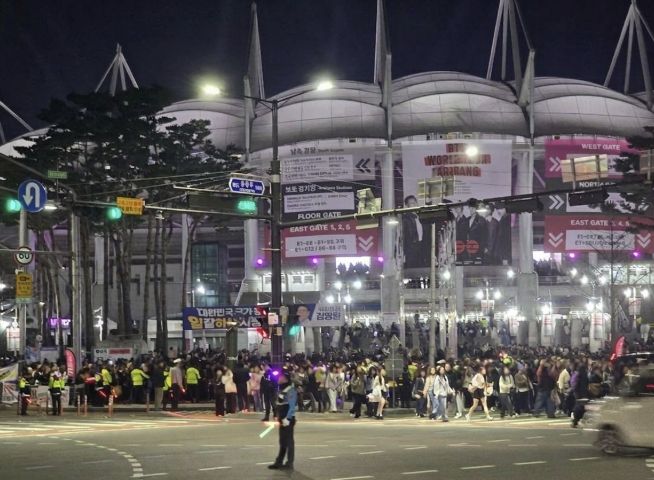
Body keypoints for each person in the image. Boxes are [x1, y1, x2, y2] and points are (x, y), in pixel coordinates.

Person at [269, 369, 297, 470]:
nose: (278, 378)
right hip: (282, 417)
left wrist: (288, 419)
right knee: (282, 441)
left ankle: (289, 463)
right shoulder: (282, 389)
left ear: (285, 379)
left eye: (280, 377)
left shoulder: (290, 390)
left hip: (287, 418)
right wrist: (277, 415)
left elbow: (292, 406)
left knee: (289, 442)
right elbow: (279, 404)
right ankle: (279, 462)